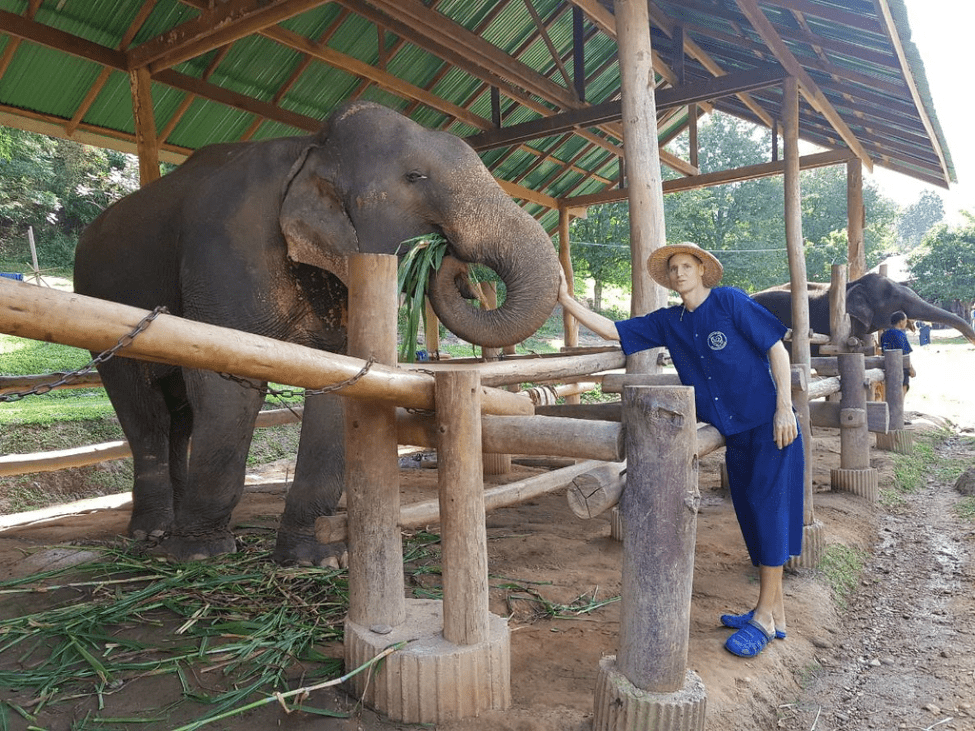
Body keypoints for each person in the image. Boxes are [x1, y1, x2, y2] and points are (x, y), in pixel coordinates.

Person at [558, 242, 803, 659]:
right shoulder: (669, 322)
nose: (679, 273)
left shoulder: (730, 301)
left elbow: (776, 349)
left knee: (769, 513)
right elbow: (614, 330)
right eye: (673, 269)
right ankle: (772, 611)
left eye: (687, 266)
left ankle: (763, 618)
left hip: (768, 425)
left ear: (702, 270)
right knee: (750, 515)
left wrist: (784, 408)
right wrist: (566, 300)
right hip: (734, 434)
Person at [880, 310, 916, 395]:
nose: (906, 322)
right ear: (900, 322)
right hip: (901, 368)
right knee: (902, 392)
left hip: (887, 366)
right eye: (905, 320)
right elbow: (905, 354)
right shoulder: (900, 335)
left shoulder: (884, 334)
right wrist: (911, 368)